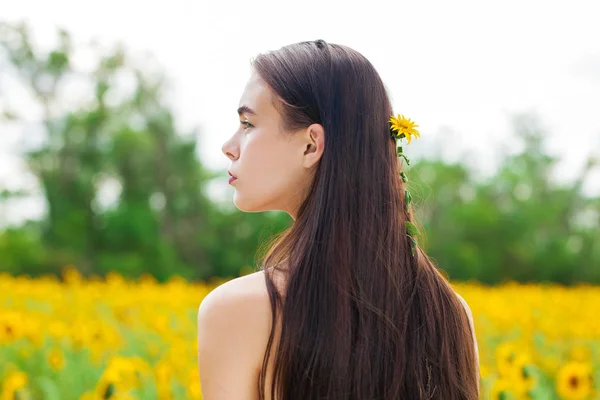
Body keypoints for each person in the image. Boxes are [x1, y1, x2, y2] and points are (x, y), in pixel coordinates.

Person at [197, 39, 480, 400]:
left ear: (311, 145)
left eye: (248, 123)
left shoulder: (237, 312)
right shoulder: (450, 314)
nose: (229, 145)